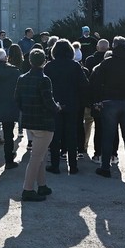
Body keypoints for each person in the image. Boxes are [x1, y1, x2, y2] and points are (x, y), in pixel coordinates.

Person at [90, 36, 125, 179]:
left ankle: (105, 167)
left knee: (108, 136)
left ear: (113, 46)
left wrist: (97, 100)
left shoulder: (107, 63)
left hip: (110, 102)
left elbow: (96, 83)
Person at [15, 48, 60, 202]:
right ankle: (27, 189)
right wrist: (57, 108)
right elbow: (48, 102)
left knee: (40, 155)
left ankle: (42, 185)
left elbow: (17, 99)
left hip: (29, 121)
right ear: (44, 61)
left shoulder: (22, 78)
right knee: (36, 157)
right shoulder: (44, 79)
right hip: (44, 122)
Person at [45, 39, 89, 174]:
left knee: (55, 135)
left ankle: (55, 165)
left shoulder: (49, 66)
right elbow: (84, 84)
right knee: (71, 135)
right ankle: (73, 165)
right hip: (72, 103)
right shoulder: (75, 66)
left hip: (55, 103)